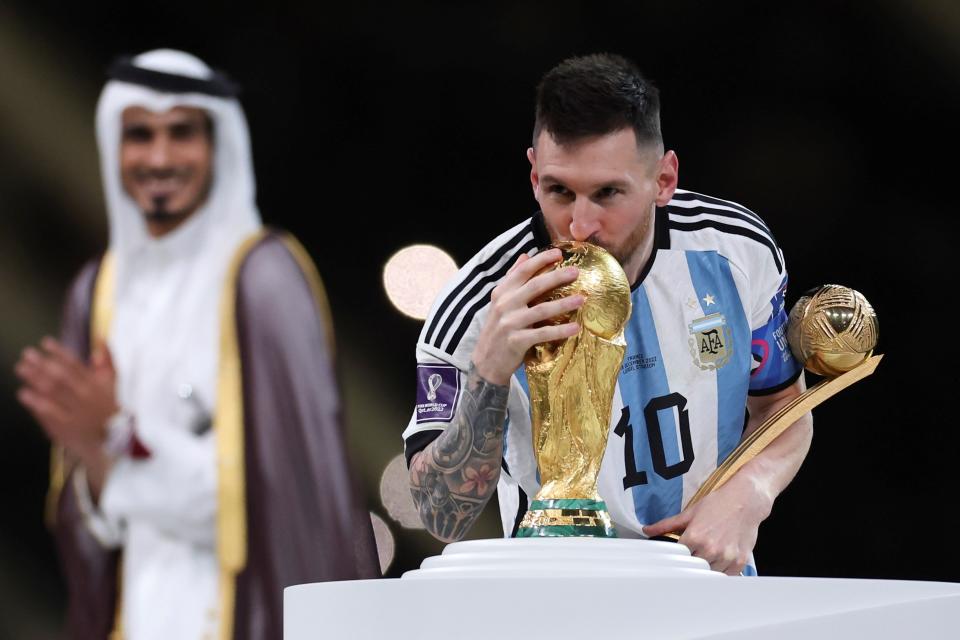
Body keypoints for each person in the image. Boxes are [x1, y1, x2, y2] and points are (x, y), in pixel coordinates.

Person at [14, 49, 379, 640]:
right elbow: (86, 522)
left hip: (246, 617)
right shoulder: (96, 293)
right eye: (140, 135)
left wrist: (114, 443)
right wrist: (98, 462)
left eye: (181, 133)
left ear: (217, 144)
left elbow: (284, 496)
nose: (159, 158)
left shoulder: (263, 279)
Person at [404, 53, 812, 576]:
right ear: (533, 176)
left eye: (607, 194)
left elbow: (784, 408)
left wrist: (751, 491)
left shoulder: (736, 251)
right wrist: (490, 369)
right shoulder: (474, 309)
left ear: (664, 179)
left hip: (711, 591)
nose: (580, 225)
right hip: (554, 605)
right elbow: (441, 515)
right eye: (559, 191)